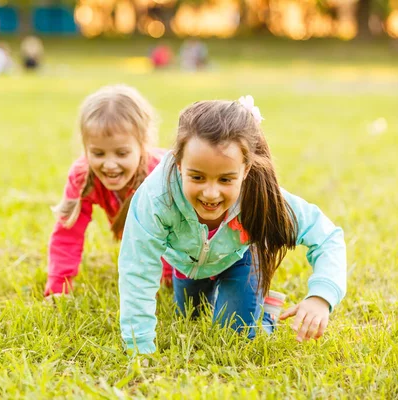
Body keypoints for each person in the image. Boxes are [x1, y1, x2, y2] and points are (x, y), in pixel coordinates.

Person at [119, 96, 347, 354]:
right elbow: (137, 270)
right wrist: (139, 349)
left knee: (233, 337)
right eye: (197, 177)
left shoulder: (261, 194)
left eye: (226, 179)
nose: (211, 193)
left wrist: (321, 297)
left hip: (239, 259)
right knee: (189, 316)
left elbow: (328, 237)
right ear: (179, 163)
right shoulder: (157, 197)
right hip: (186, 263)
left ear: (246, 169)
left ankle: (265, 314)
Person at [45, 84, 172, 297]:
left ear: (143, 145)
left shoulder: (162, 174)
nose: (110, 164)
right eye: (98, 153)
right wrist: (59, 288)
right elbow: (68, 233)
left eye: (121, 153)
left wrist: (169, 277)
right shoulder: (82, 176)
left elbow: (177, 231)